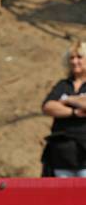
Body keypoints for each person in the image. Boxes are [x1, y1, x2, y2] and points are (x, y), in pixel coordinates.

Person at [41, 41, 86, 177]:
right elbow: (48, 107)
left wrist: (68, 100)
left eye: (79, 57)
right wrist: (74, 112)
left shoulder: (65, 94)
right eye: (71, 58)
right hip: (61, 156)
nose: (74, 61)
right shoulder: (63, 85)